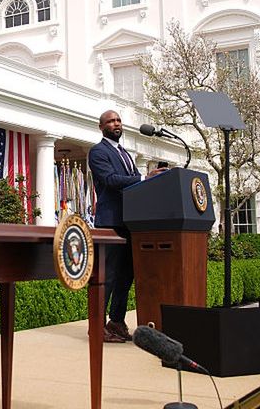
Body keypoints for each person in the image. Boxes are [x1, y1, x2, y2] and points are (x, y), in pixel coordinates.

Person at [88, 110, 163, 344]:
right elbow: (110, 180)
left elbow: (135, 183)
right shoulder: (98, 151)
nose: (116, 124)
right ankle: (96, 326)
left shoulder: (126, 154)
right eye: (111, 121)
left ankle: (117, 321)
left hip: (131, 222)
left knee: (126, 275)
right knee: (107, 276)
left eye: (118, 120)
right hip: (110, 223)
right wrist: (143, 178)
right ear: (102, 127)